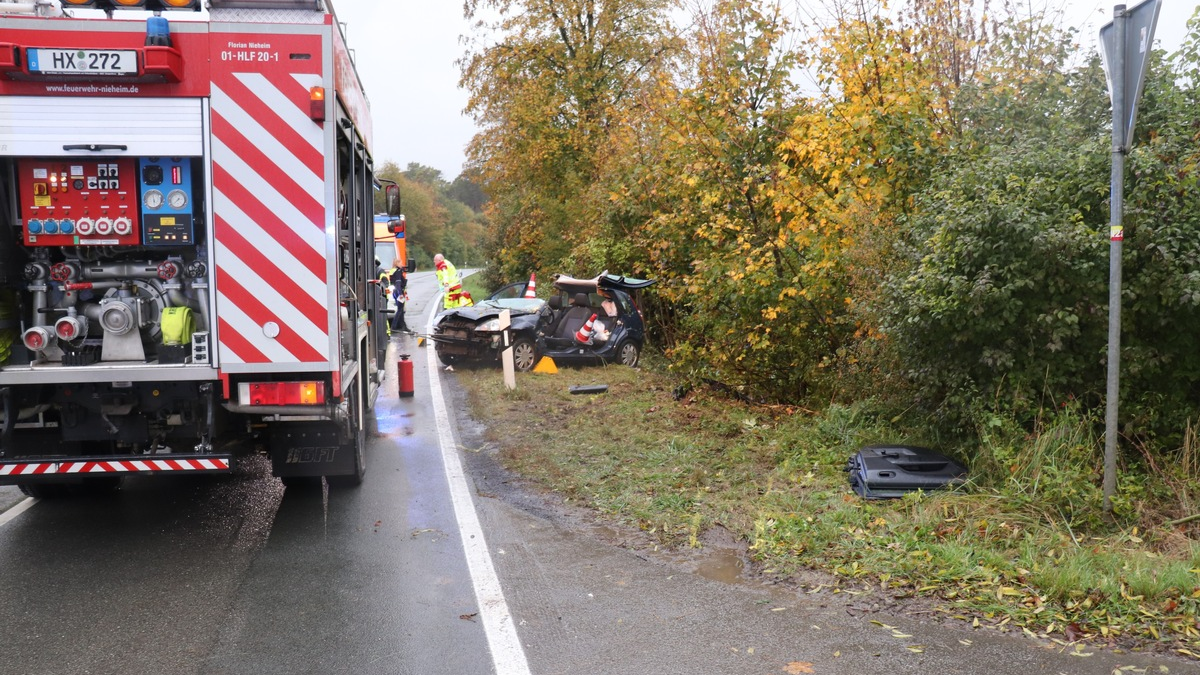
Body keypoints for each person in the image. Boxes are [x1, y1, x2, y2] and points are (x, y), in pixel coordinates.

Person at [389, 266, 409, 334]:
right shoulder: (398, 272)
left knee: (401, 309)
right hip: (399, 293)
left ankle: (403, 326)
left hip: (397, 292)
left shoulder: (393, 271)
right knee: (400, 309)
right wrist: (400, 294)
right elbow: (398, 284)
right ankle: (393, 327)